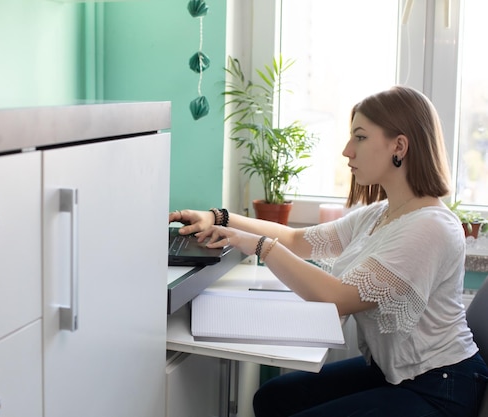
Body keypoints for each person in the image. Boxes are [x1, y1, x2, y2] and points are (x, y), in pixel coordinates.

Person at [168, 85, 488, 417]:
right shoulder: (380, 214)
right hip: (394, 373)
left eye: (360, 137)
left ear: (399, 146)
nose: (347, 151)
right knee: (272, 397)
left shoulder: (430, 227)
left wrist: (257, 245)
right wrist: (220, 218)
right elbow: (297, 241)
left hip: (441, 386)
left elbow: (337, 297)